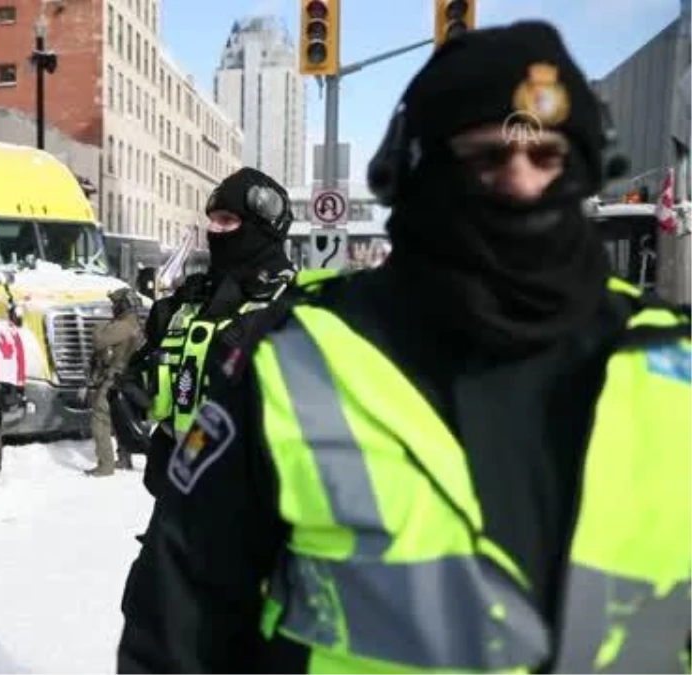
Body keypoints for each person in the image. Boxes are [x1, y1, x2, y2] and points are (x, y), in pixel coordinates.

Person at [117, 21, 692, 674]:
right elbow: (181, 628)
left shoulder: (671, 369)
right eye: (487, 156)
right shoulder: (294, 362)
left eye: (548, 157)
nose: (523, 183)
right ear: (420, 169)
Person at [128, 167, 299, 495]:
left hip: (256, 500)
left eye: (226, 220)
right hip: (179, 489)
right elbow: (153, 373)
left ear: (261, 227)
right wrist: (133, 394)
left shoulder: (291, 304)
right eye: (212, 219)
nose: (214, 230)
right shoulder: (189, 300)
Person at [86, 287, 145, 476]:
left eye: (115, 304)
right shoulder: (137, 324)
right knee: (121, 419)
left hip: (115, 380)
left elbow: (98, 341)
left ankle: (105, 465)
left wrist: (99, 326)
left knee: (100, 420)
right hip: (130, 381)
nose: (113, 307)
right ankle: (125, 459)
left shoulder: (123, 326)